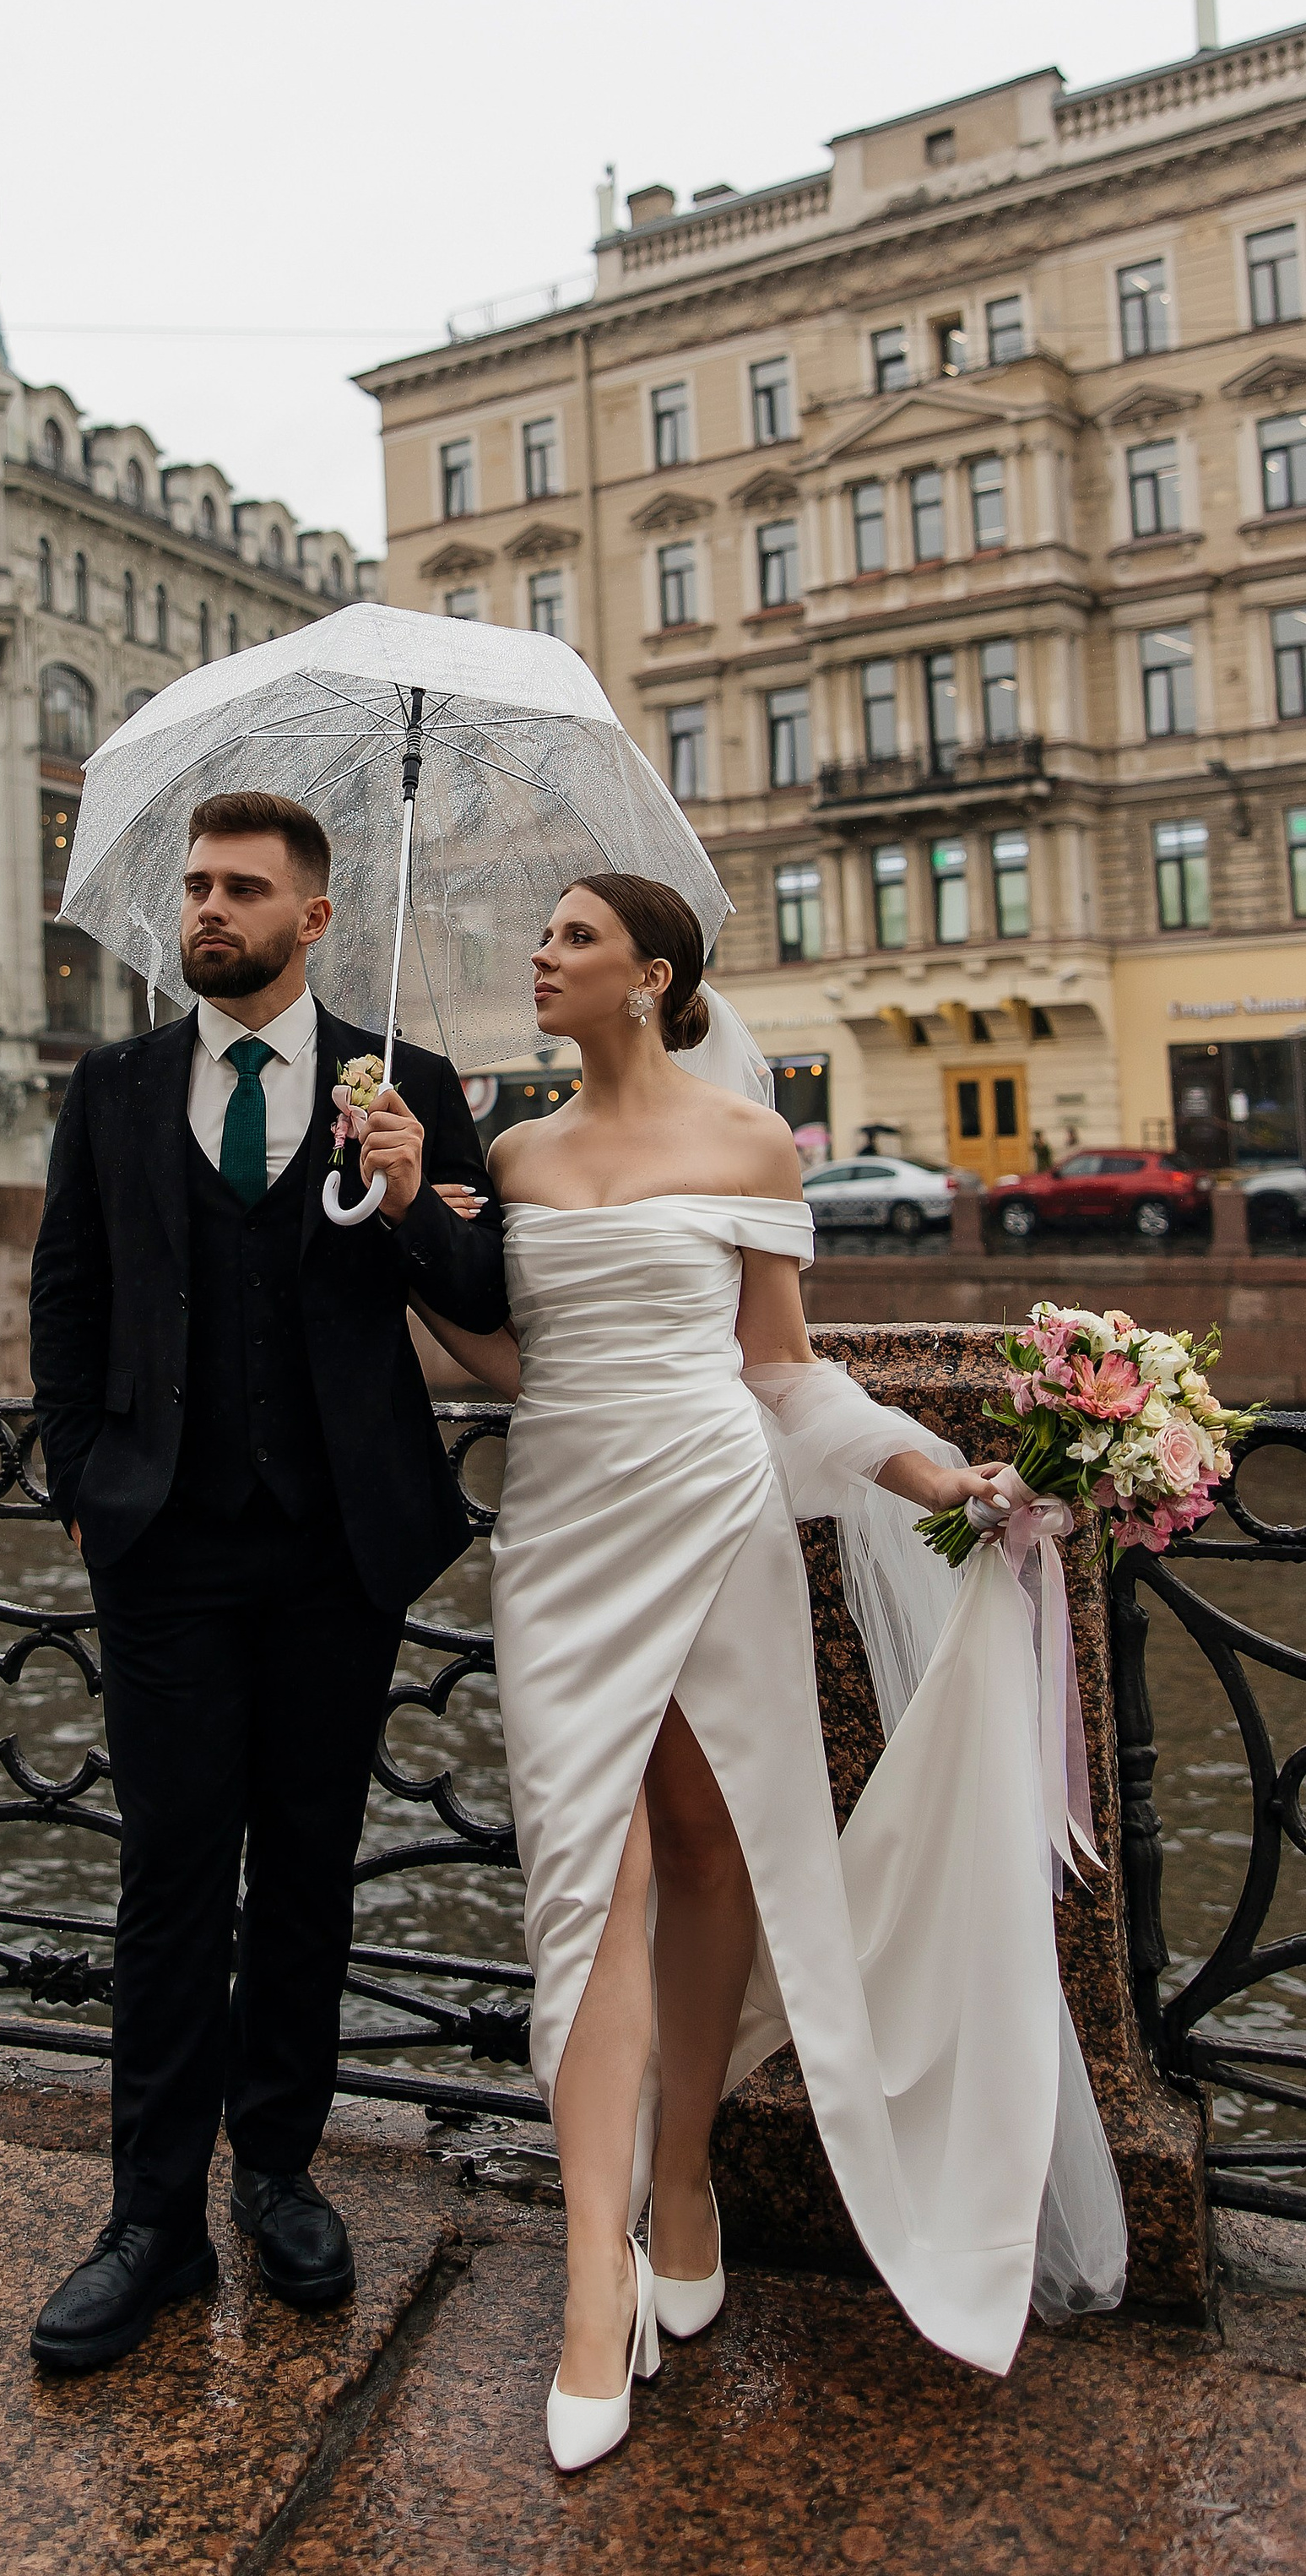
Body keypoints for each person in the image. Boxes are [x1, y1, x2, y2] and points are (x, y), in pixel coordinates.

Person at [387, 870, 1124, 2473]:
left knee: (716, 1847)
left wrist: (940, 1480)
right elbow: (518, 1361)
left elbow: (783, 1372)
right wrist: (399, 1239)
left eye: (569, 936)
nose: (541, 953)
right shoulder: (509, 1156)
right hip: (565, 1522)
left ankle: (683, 2179)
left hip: (714, 1507)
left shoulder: (750, 1146)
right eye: (546, 931)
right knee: (585, 1878)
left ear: (650, 976)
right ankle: (597, 2287)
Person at [27, 789, 506, 2374]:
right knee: (170, 1875)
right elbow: (69, 1298)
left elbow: (480, 1295)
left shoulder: (408, 1081)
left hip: (335, 1543)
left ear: (314, 918)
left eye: (243, 890)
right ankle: (149, 2220)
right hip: (164, 1540)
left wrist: (412, 1171)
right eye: (196, 888)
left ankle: (281, 2173)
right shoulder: (114, 1086)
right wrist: (81, 1488)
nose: (207, 910)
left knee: (308, 1862)